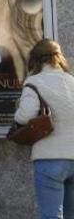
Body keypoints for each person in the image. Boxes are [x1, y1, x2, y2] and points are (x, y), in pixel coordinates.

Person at [14, 39, 74, 219]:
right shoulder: (72, 81)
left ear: (36, 60)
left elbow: (24, 116)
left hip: (50, 158)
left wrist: (17, 108)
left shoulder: (34, 82)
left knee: (51, 216)